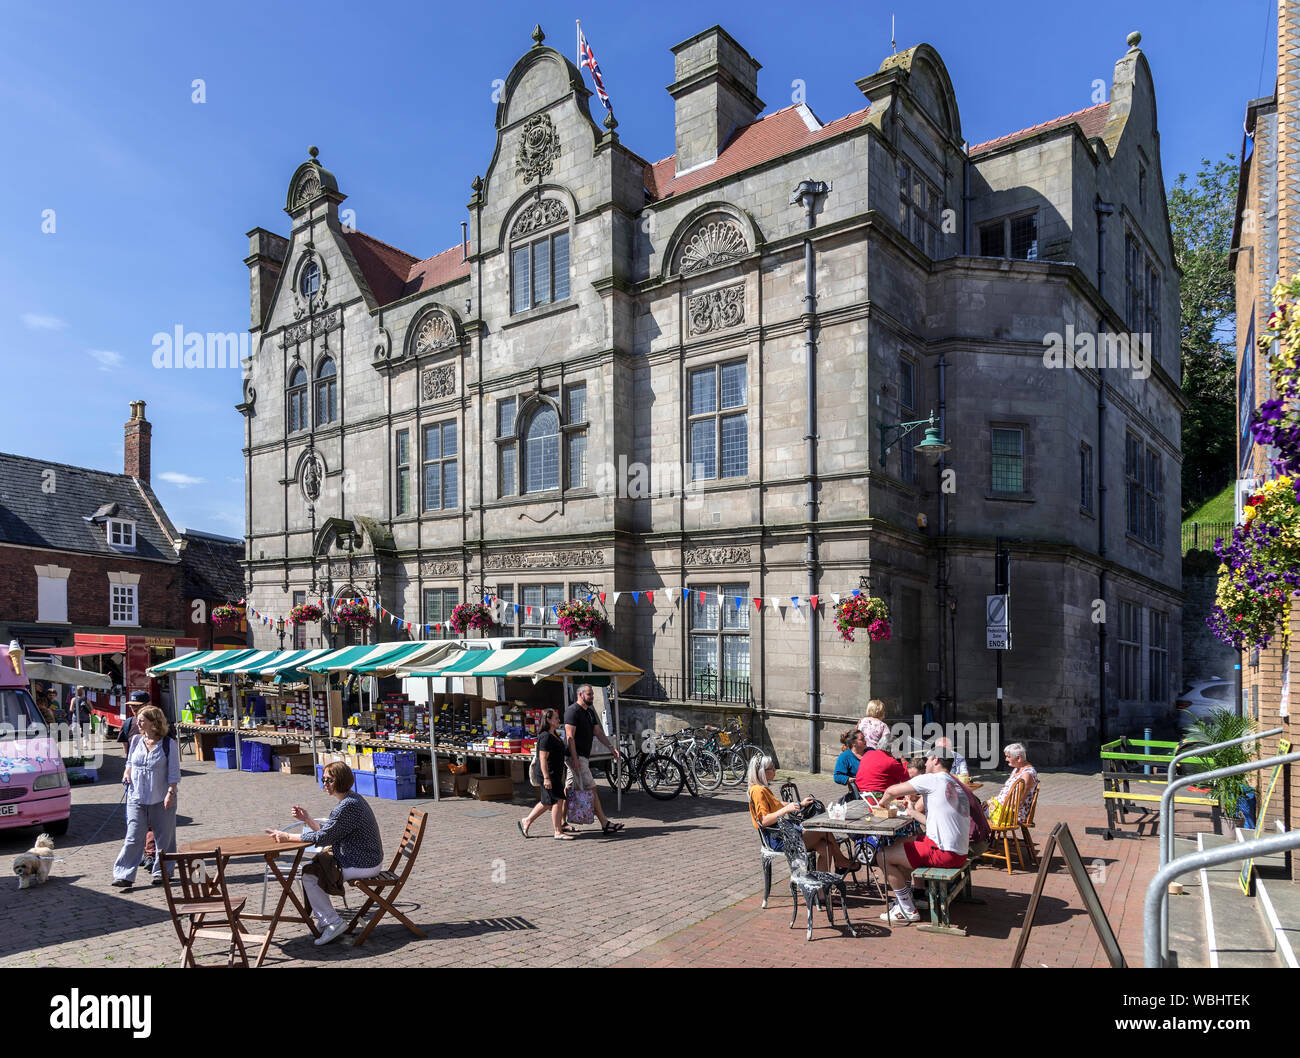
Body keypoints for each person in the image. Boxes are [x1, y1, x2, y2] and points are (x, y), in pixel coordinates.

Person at [266, 761, 384, 946]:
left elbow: (323, 837)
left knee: (310, 876)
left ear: (340, 780)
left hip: (363, 863)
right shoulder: (351, 801)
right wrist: (307, 820)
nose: (324, 784)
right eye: (323, 780)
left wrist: (287, 836)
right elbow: (330, 832)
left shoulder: (348, 806)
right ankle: (327, 920)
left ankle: (332, 923)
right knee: (312, 870)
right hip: (363, 858)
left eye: (328, 780)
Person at [875, 751, 971, 923]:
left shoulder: (933, 779)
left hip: (944, 853)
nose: (925, 763)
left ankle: (906, 909)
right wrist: (911, 812)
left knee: (882, 855)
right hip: (958, 851)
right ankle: (911, 896)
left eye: (927, 759)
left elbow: (891, 791)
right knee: (903, 842)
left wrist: (881, 805)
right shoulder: (954, 782)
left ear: (936, 760)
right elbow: (935, 822)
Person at [746, 755, 855, 873]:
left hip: (784, 834)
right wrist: (786, 810)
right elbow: (763, 821)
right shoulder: (758, 791)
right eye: (772, 768)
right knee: (823, 829)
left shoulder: (762, 788)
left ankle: (821, 889)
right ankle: (840, 860)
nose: (775, 770)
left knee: (826, 847)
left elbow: (776, 804)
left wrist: (800, 804)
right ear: (762, 772)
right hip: (778, 840)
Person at [111, 705, 180, 888]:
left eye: (142, 719)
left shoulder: (168, 744)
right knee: (133, 837)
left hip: (161, 797)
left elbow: (174, 772)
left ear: (154, 722)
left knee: (164, 838)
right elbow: (129, 761)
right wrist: (127, 772)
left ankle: (162, 872)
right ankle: (124, 874)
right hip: (136, 797)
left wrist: (170, 793)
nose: (138, 722)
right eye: (139, 719)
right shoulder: (135, 740)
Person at [563, 684, 624, 834]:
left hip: (582, 756)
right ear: (580, 694)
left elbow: (597, 731)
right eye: (589, 694)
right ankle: (605, 823)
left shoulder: (589, 712)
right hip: (575, 757)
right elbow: (570, 737)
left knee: (568, 789)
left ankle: (560, 822)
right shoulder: (572, 712)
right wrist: (575, 758)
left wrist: (611, 747)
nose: (592, 697)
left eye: (592, 694)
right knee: (592, 788)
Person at [520, 708, 570, 839]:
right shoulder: (545, 736)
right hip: (548, 774)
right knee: (552, 801)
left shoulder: (554, 735)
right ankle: (557, 831)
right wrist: (546, 778)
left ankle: (528, 821)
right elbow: (542, 758)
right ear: (548, 720)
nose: (559, 720)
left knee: (552, 801)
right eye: (556, 718)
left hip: (555, 773)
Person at [984, 742, 1038, 827]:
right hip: (1003, 809)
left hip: (1012, 814)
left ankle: (979, 838)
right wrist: (992, 802)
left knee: (974, 812)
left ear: (1018, 758)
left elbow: (1018, 801)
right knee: (975, 806)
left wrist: (996, 804)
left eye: (1008, 757)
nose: (1006, 759)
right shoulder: (1017, 769)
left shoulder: (1027, 775)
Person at [853, 734, 909, 799]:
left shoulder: (867, 754)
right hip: (879, 797)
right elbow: (907, 778)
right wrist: (903, 760)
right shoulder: (891, 762)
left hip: (862, 794)